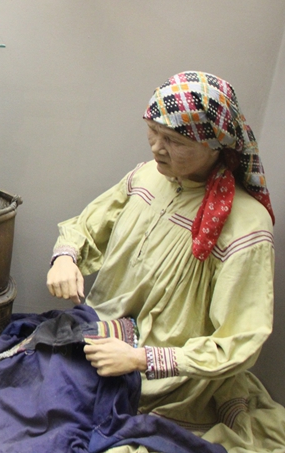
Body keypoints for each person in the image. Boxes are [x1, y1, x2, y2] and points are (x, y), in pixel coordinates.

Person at [45, 71, 285, 452]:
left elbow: (240, 340)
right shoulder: (147, 177)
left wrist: (141, 359)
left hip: (172, 383)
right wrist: (65, 256)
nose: (157, 147)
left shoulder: (245, 225)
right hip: (102, 335)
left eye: (174, 140)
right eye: (153, 132)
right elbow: (87, 225)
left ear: (214, 145)